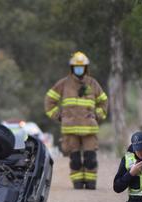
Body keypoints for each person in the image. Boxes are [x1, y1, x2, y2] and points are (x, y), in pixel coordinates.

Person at [44, 51, 108, 190]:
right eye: (76, 67)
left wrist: (97, 115)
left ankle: (91, 184)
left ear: (86, 68)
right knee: (75, 160)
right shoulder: (64, 84)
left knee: (90, 159)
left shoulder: (92, 84)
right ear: (72, 68)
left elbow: (103, 102)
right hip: (70, 129)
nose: (79, 69)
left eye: (82, 67)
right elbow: (49, 100)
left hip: (89, 129)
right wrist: (58, 115)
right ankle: (78, 185)